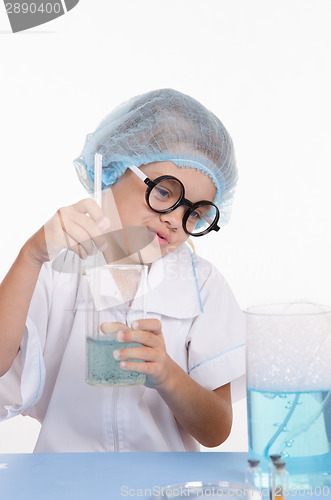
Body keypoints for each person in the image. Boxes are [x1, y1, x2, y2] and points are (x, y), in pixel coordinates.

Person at [0, 89, 245, 452]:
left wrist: (168, 375)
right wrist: (30, 256)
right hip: (65, 485)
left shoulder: (202, 286)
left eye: (194, 213)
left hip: (165, 489)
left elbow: (216, 430)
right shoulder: (57, 269)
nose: (175, 221)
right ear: (115, 168)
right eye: (164, 193)